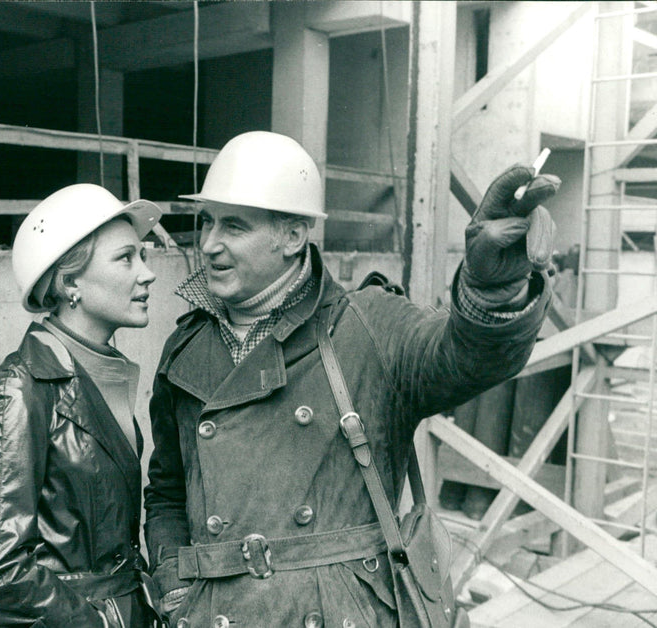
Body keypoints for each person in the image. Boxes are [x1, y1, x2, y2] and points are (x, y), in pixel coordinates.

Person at [144, 131, 559, 627]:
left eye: (234, 226)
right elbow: (167, 488)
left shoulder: (369, 324)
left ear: (293, 237)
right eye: (206, 222)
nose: (209, 244)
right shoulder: (186, 347)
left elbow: (466, 357)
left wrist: (491, 290)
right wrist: (172, 579)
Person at [0, 184, 162, 627]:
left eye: (143, 257)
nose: (147, 274)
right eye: (126, 258)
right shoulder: (17, 390)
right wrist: (98, 622)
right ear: (71, 282)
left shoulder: (100, 373)